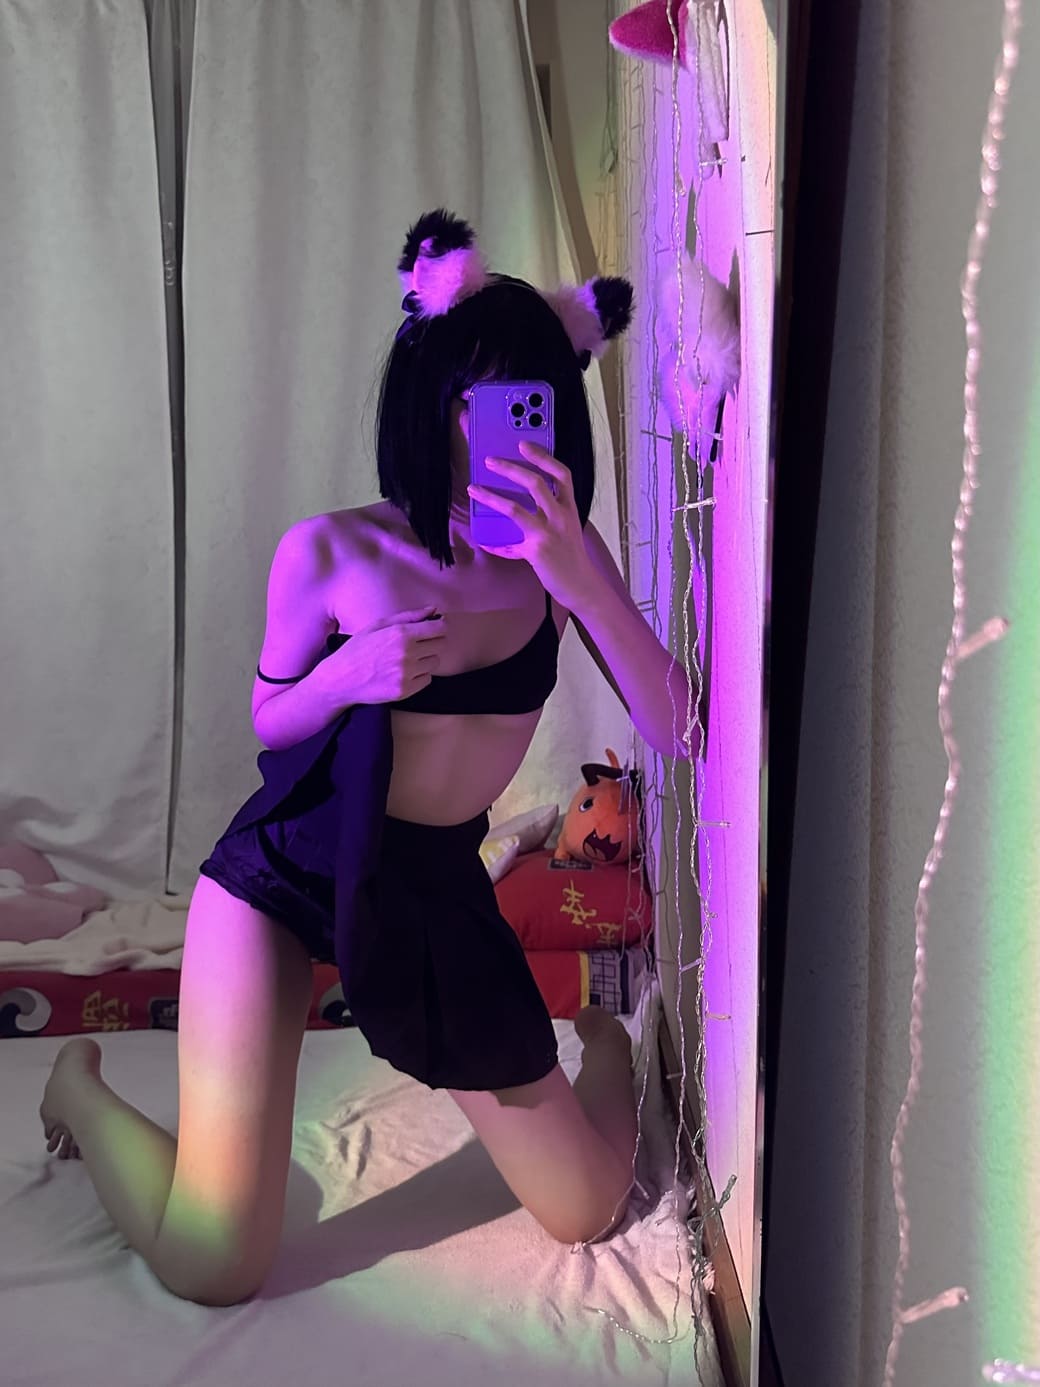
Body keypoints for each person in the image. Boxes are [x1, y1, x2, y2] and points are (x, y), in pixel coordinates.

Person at [38, 210, 689, 1307]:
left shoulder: (559, 563)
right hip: (284, 875)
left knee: (588, 1208)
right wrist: (348, 675)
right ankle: (78, 1086)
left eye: (522, 400)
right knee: (212, 1260)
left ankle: (610, 1051)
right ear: (428, 401)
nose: (491, 429)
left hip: (430, 886)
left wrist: (578, 575)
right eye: (471, 399)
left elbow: (673, 723)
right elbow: (270, 717)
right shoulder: (333, 549)